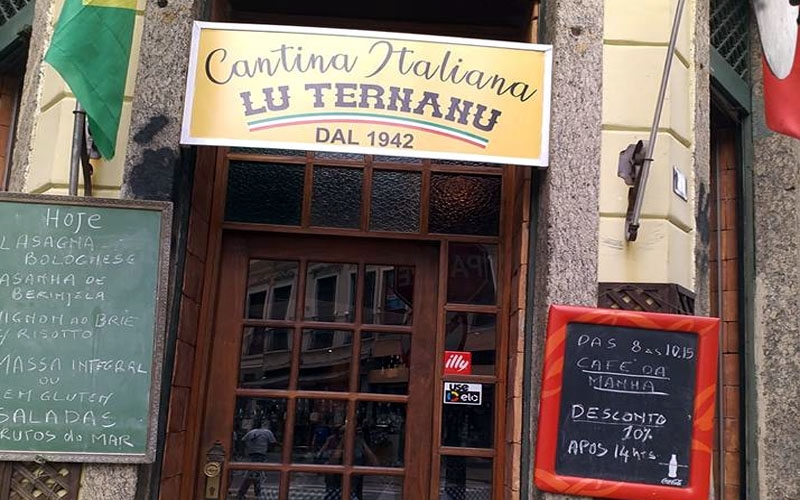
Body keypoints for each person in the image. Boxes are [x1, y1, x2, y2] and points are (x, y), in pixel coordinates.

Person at [237, 421, 279, 500]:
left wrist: (248, 448)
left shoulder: (252, 432)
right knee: (254, 474)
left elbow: (243, 440)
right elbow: (273, 442)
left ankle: (254, 492)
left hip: (252, 454)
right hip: (260, 454)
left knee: (255, 474)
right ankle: (244, 492)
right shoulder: (267, 432)